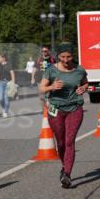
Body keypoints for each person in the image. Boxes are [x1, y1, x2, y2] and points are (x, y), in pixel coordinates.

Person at [38, 43, 88, 188]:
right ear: (58, 57)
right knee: (60, 142)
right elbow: (41, 88)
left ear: (73, 56)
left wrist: (83, 88)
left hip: (75, 108)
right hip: (56, 109)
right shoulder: (51, 71)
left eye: (69, 57)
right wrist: (52, 87)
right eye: (63, 57)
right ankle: (64, 166)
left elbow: (86, 83)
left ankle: (67, 173)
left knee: (69, 141)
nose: (66, 60)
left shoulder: (79, 70)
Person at [0, 53, 15, 117]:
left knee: (6, 99)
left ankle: (6, 112)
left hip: (8, 83)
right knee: (0, 98)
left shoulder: (9, 65)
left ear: (4, 58)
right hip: (0, 83)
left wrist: (13, 83)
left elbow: (12, 74)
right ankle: (4, 108)